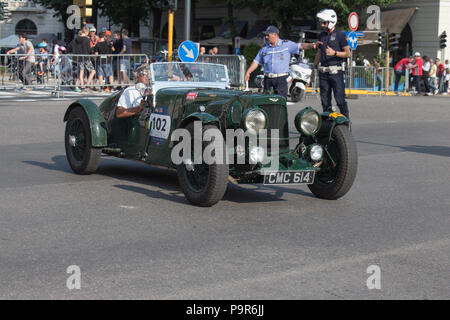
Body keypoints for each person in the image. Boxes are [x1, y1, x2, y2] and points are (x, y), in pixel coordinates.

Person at [244, 25, 318, 99]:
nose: (266, 37)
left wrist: (312, 45)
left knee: (280, 103)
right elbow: (256, 62)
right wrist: (248, 72)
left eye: (268, 35)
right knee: (267, 103)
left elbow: (300, 46)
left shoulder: (286, 44)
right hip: (267, 79)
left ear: (275, 35)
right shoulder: (264, 48)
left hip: (281, 79)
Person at [312, 9, 351, 118]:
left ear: (331, 22)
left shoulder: (340, 35)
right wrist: (313, 67)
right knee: (325, 101)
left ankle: (346, 122)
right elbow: (319, 53)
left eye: (324, 23)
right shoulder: (322, 35)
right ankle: (327, 124)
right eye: (321, 22)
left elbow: (348, 53)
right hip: (323, 72)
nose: (322, 25)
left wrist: (334, 53)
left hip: (336, 72)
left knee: (340, 100)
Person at [70, 26, 96, 92]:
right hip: (86, 57)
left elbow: (70, 46)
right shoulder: (87, 39)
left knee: (81, 72)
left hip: (78, 58)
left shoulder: (75, 39)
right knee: (92, 71)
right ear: (87, 32)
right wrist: (93, 48)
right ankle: (87, 85)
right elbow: (89, 49)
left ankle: (82, 86)